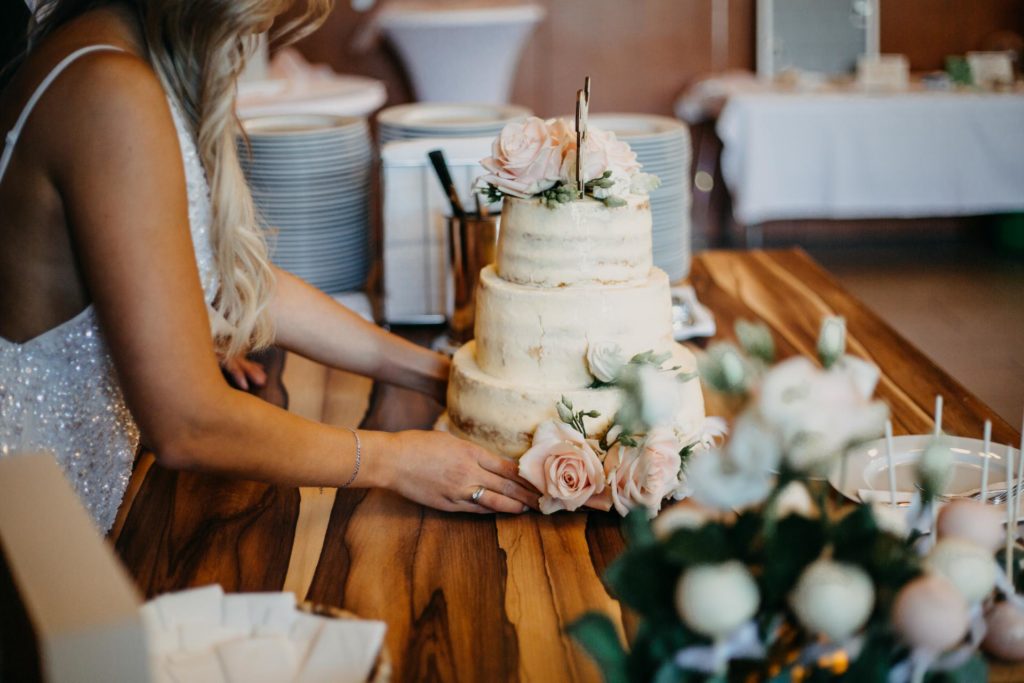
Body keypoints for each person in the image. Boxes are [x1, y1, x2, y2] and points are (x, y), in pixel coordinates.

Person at [0, 0, 537, 533]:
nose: (265, 30)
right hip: (34, 551)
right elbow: (187, 423)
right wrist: (392, 460)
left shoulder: (108, 56)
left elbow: (246, 285)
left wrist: (442, 376)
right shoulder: (109, 93)